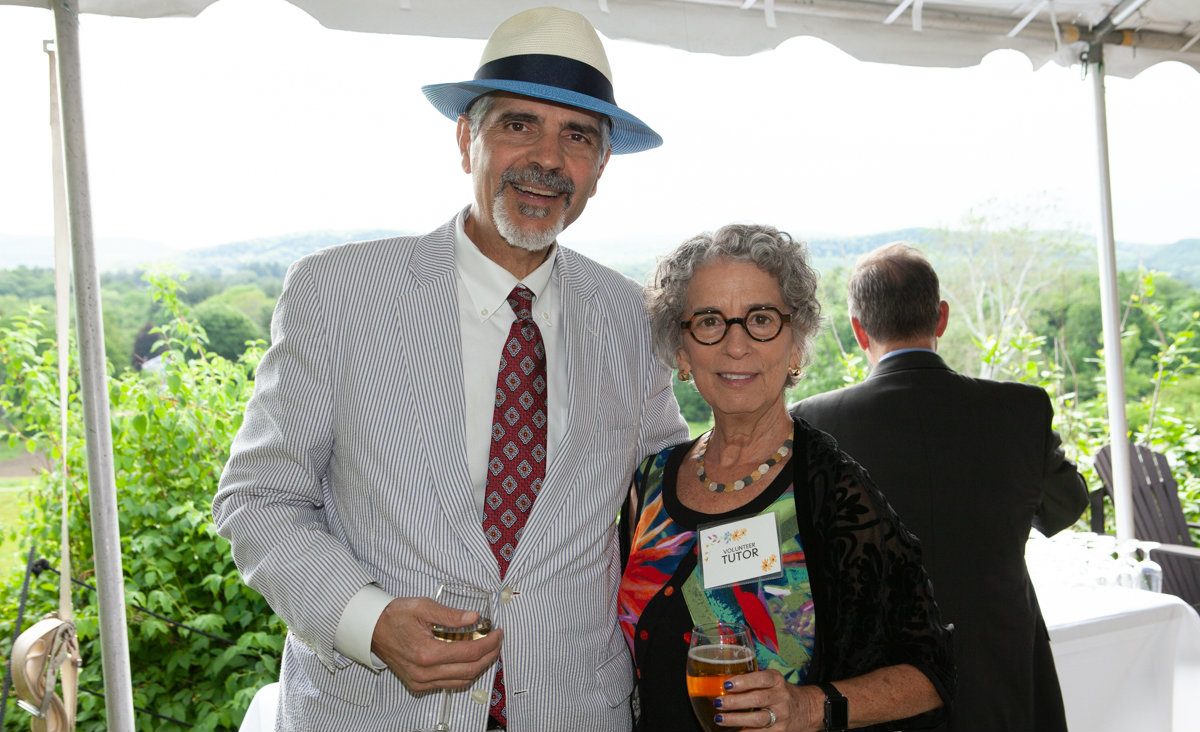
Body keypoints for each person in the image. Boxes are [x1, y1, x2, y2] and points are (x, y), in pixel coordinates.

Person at [211, 7, 688, 731]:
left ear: (601, 165)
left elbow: (673, 503)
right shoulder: (338, 293)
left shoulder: (631, 318)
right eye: (518, 125)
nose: (549, 160)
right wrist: (366, 621)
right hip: (371, 713)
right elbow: (259, 498)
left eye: (578, 136)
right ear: (467, 139)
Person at [619, 224, 954, 732]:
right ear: (683, 352)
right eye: (710, 321)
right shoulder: (650, 482)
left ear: (794, 345)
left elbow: (931, 671)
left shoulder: (831, 491)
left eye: (760, 319)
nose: (736, 346)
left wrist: (809, 706)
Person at [790, 242, 1089, 731]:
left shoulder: (815, 424)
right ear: (941, 318)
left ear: (859, 329)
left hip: (878, 683)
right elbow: (1065, 507)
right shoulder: (1020, 410)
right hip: (1001, 665)